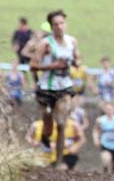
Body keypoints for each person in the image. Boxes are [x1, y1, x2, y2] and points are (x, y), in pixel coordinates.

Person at [30, 10, 82, 168]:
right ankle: (46, 136)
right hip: (47, 87)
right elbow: (32, 66)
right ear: (51, 27)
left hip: (64, 87)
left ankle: (59, 161)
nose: (59, 27)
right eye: (56, 24)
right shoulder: (46, 44)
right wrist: (53, 66)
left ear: (65, 24)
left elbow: (77, 57)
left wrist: (76, 63)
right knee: (48, 121)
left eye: (61, 23)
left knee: (61, 123)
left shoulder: (72, 41)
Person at [93, 102, 114, 174]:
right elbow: (96, 130)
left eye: (111, 109)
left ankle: (112, 173)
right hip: (105, 144)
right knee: (106, 160)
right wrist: (96, 139)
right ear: (104, 110)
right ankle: (105, 171)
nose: (109, 111)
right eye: (107, 109)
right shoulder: (100, 120)